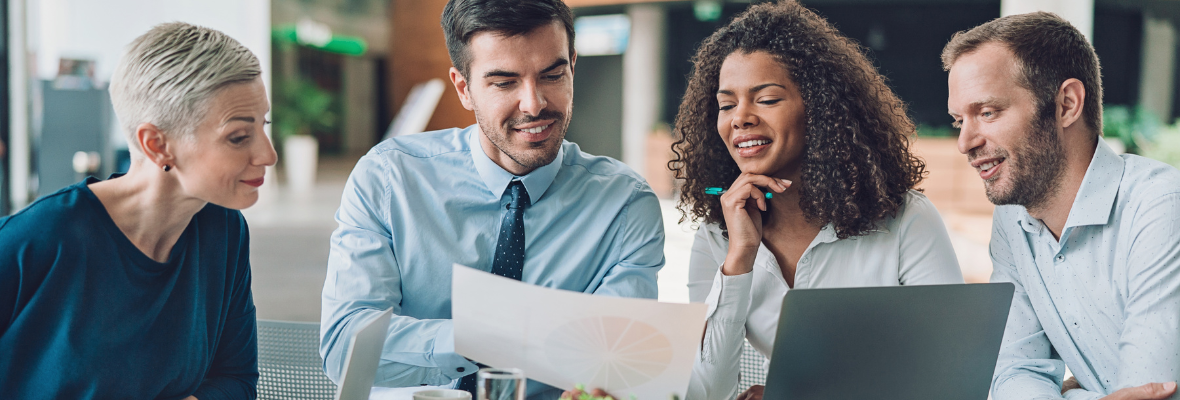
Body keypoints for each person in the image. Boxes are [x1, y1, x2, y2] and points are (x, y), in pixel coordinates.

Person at [318, 1, 665, 399]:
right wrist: (488, 336)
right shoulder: (388, 179)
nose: (534, 104)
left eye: (552, 75)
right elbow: (346, 348)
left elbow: (616, 362)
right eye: (504, 82)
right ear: (464, 88)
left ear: (572, 66)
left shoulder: (624, 205)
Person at [670, 2, 965, 399]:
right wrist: (739, 260)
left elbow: (950, 376)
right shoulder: (718, 236)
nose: (740, 117)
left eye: (767, 99)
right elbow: (704, 392)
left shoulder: (906, 220)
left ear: (821, 108)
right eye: (726, 105)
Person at [0, 22, 275, 400]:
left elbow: (236, 377)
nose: (268, 155)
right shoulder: (35, 240)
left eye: (264, 126)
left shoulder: (223, 230)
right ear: (157, 144)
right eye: (239, 137)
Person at [944, 12, 1180, 400]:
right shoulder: (1012, 219)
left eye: (987, 112)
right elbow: (1013, 371)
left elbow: (1150, 392)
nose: (965, 142)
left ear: (1067, 104)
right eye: (958, 121)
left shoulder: (1158, 206)